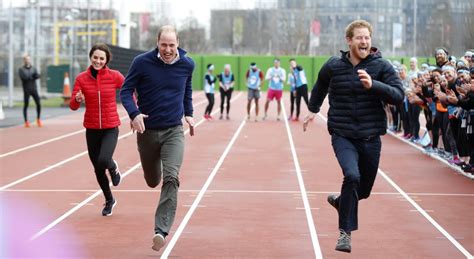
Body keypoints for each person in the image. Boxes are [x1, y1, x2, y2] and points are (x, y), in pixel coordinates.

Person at [303, 20, 404, 253]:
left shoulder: (381, 67)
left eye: (367, 37)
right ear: (349, 40)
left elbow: (398, 95)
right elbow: (319, 86)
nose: (364, 42)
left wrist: (375, 85)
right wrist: (312, 109)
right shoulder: (333, 65)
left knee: (363, 191)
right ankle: (344, 234)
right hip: (343, 134)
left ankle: (341, 202)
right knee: (351, 175)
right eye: (359, 37)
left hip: (370, 138)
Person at [120, 25, 195, 252]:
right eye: (164, 45)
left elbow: (187, 90)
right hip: (147, 132)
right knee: (153, 180)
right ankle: (155, 171)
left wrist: (189, 113)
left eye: (172, 45)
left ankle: (160, 231)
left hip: (173, 131)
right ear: (157, 42)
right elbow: (125, 90)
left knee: (171, 178)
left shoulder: (187, 64)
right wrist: (134, 114)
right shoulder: (142, 62)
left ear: (178, 43)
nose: (168, 49)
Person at [69, 43, 124, 216]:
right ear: (91, 57)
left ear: (106, 60)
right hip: (92, 129)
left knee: (104, 160)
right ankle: (109, 200)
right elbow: (72, 106)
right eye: (95, 57)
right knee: (98, 169)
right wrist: (77, 99)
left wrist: (135, 109)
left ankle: (113, 166)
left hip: (110, 128)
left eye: (101, 58)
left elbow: (129, 89)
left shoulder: (114, 76)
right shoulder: (81, 79)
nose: (98, 61)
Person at [19, 54, 42, 128]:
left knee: (38, 103)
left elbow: (37, 75)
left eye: (29, 59)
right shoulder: (21, 69)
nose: (28, 60)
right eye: (26, 59)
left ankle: (38, 119)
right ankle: (26, 121)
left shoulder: (33, 68)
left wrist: (35, 76)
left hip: (34, 89)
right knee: (26, 105)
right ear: (24, 60)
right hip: (26, 89)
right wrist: (33, 76)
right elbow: (24, 78)